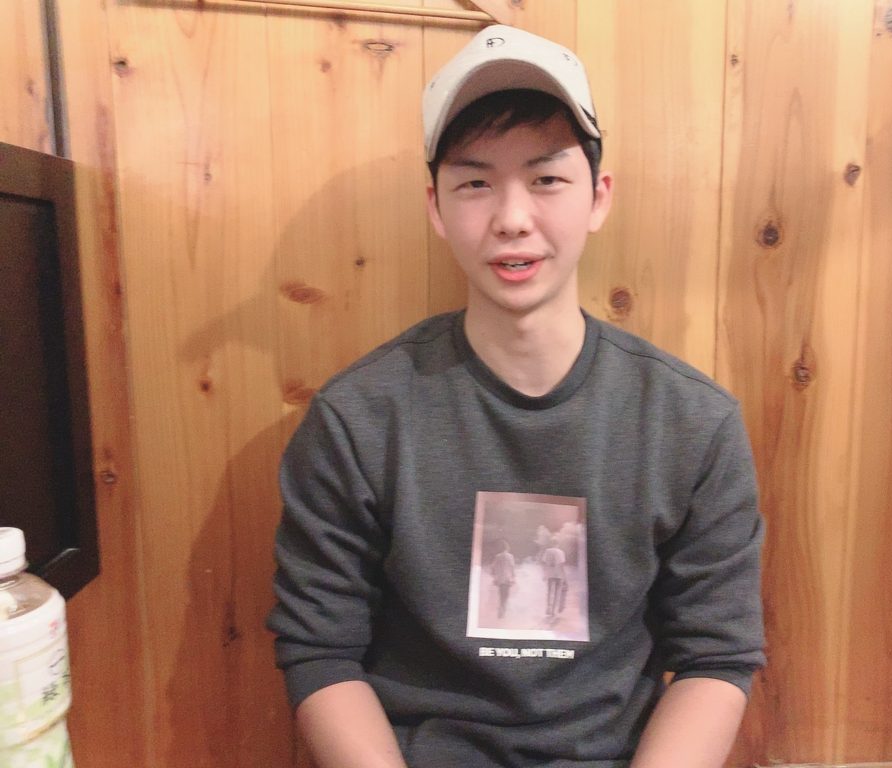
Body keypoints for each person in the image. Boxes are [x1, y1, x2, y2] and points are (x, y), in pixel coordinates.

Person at [267, 23, 764, 768]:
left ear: (598, 197)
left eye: (546, 179)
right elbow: (319, 650)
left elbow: (716, 656)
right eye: (475, 182)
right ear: (436, 207)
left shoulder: (694, 422)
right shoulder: (357, 419)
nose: (512, 218)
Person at [491, 540, 516, 619]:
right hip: (508, 578)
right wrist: (513, 577)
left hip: (500, 579)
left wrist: (494, 576)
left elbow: (493, 566)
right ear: (507, 548)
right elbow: (512, 567)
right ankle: (503, 609)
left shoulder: (498, 556)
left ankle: (501, 608)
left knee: (501, 594)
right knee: (506, 595)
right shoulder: (510, 556)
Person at [540, 542, 566, 617]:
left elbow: (544, 562)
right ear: (558, 544)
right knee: (557, 593)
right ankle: (554, 611)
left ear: (552, 544)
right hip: (559, 574)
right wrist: (564, 576)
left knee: (550, 592)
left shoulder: (547, 551)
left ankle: (549, 608)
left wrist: (545, 573)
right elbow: (562, 565)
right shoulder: (561, 552)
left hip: (550, 574)